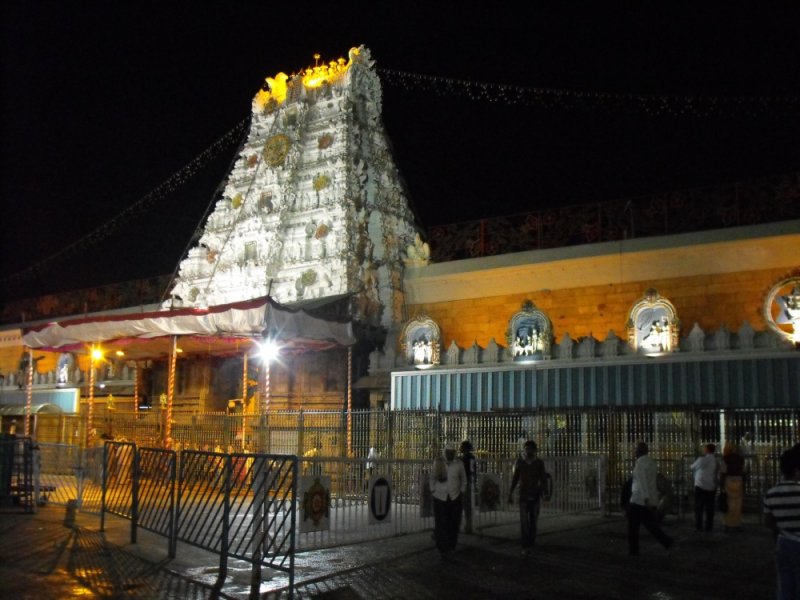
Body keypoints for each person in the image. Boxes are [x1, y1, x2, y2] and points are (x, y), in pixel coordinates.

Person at [764, 443, 800, 600]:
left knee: (784, 583)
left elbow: (768, 521)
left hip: (783, 542)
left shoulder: (771, 494)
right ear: (797, 471)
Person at [627, 441, 673, 556]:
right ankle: (666, 541)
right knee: (650, 524)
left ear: (639, 451)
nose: (633, 451)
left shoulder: (639, 464)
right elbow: (651, 482)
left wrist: (646, 498)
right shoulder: (652, 462)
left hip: (638, 499)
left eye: (635, 449)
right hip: (648, 499)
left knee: (633, 526)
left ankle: (634, 550)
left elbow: (642, 483)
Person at [508, 440, 548, 555]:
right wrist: (510, 492)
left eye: (530, 449)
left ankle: (531, 543)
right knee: (524, 523)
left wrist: (545, 493)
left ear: (535, 450)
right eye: (526, 449)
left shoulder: (539, 463)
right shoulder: (520, 462)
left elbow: (543, 479)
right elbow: (515, 478)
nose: (528, 451)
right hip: (523, 496)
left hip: (535, 495)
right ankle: (525, 545)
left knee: (533, 522)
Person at [430, 442, 467, 555]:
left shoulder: (459, 464)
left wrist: (461, 492)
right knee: (441, 523)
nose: (450, 454)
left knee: (453, 522)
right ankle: (442, 546)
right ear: (445, 452)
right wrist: (433, 490)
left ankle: (451, 544)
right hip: (440, 497)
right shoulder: (438, 461)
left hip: (454, 497)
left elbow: (464, 480)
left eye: (452, 453)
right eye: (448, 452)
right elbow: (432, 477)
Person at [691, 443, 719, 532]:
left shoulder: (702, 459)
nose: (703, 449)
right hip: (710, 486)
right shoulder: (715, 460)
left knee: (699, 507)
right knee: (709, 508)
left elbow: (692, 466)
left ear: (707, 450)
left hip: (700, 485)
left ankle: (699, 526)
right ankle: (709, 526)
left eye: (704, 448)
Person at [720, 442, 746, 530]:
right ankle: (736, 523)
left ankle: (728, 524)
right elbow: (743, 471)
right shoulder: (740, 459)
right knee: (737, 503)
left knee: (729, 502)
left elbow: (723, 472)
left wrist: (722, 486)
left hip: (729, 480)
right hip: (738, 480)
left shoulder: (725, 458)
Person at [460, 440, 477, 534]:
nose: (460, 448)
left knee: (466, 505)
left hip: (466, 482)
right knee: (469, 505)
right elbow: (474, 470)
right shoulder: (472, 457)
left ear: (465, 448)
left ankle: (468, 526)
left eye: (461, 446)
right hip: (470, 481)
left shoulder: (465, 458)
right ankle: (469, 526)